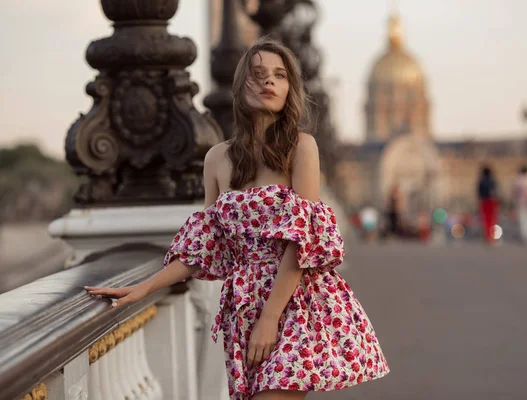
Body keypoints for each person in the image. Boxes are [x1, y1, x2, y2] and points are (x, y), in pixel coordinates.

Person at [84, 39, 389, 400]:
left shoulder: (301, 147)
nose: (268, 82)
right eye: (258, 75)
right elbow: (205, 244)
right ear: (241, 84)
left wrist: (270, 319)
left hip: (294, 300)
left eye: (279, 75)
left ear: (289, 88)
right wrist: (145, 287)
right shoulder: (216, 158)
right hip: (243, 305)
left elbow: (302, 241)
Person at [477, 165, 498, 244]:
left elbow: (479, 193)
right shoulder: (492, 181)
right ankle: (492, 237)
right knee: (492, 219)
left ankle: (487, 236)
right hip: (492, 201)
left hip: (484, 202)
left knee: (485, 220)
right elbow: (496, 192)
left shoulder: (481, 181)